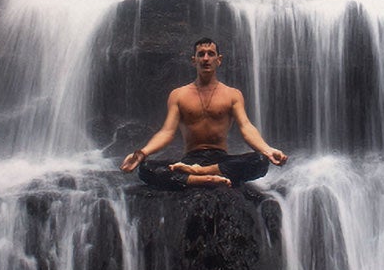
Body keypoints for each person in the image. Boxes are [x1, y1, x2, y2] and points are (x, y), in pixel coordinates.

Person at [120, 36, 287, 189]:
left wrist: (267, 150)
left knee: (260, 161)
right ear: (194, 60)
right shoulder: (178, 95)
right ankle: (204, 179)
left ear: (218, 60)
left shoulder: (232, 94)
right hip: (191, 158)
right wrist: (141, 154)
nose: (206, 58)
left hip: (220, 160)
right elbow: (167, 132)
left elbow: (246, 127)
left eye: (211, 54)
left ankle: (199, 174)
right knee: (146, 169)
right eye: (201, 54)